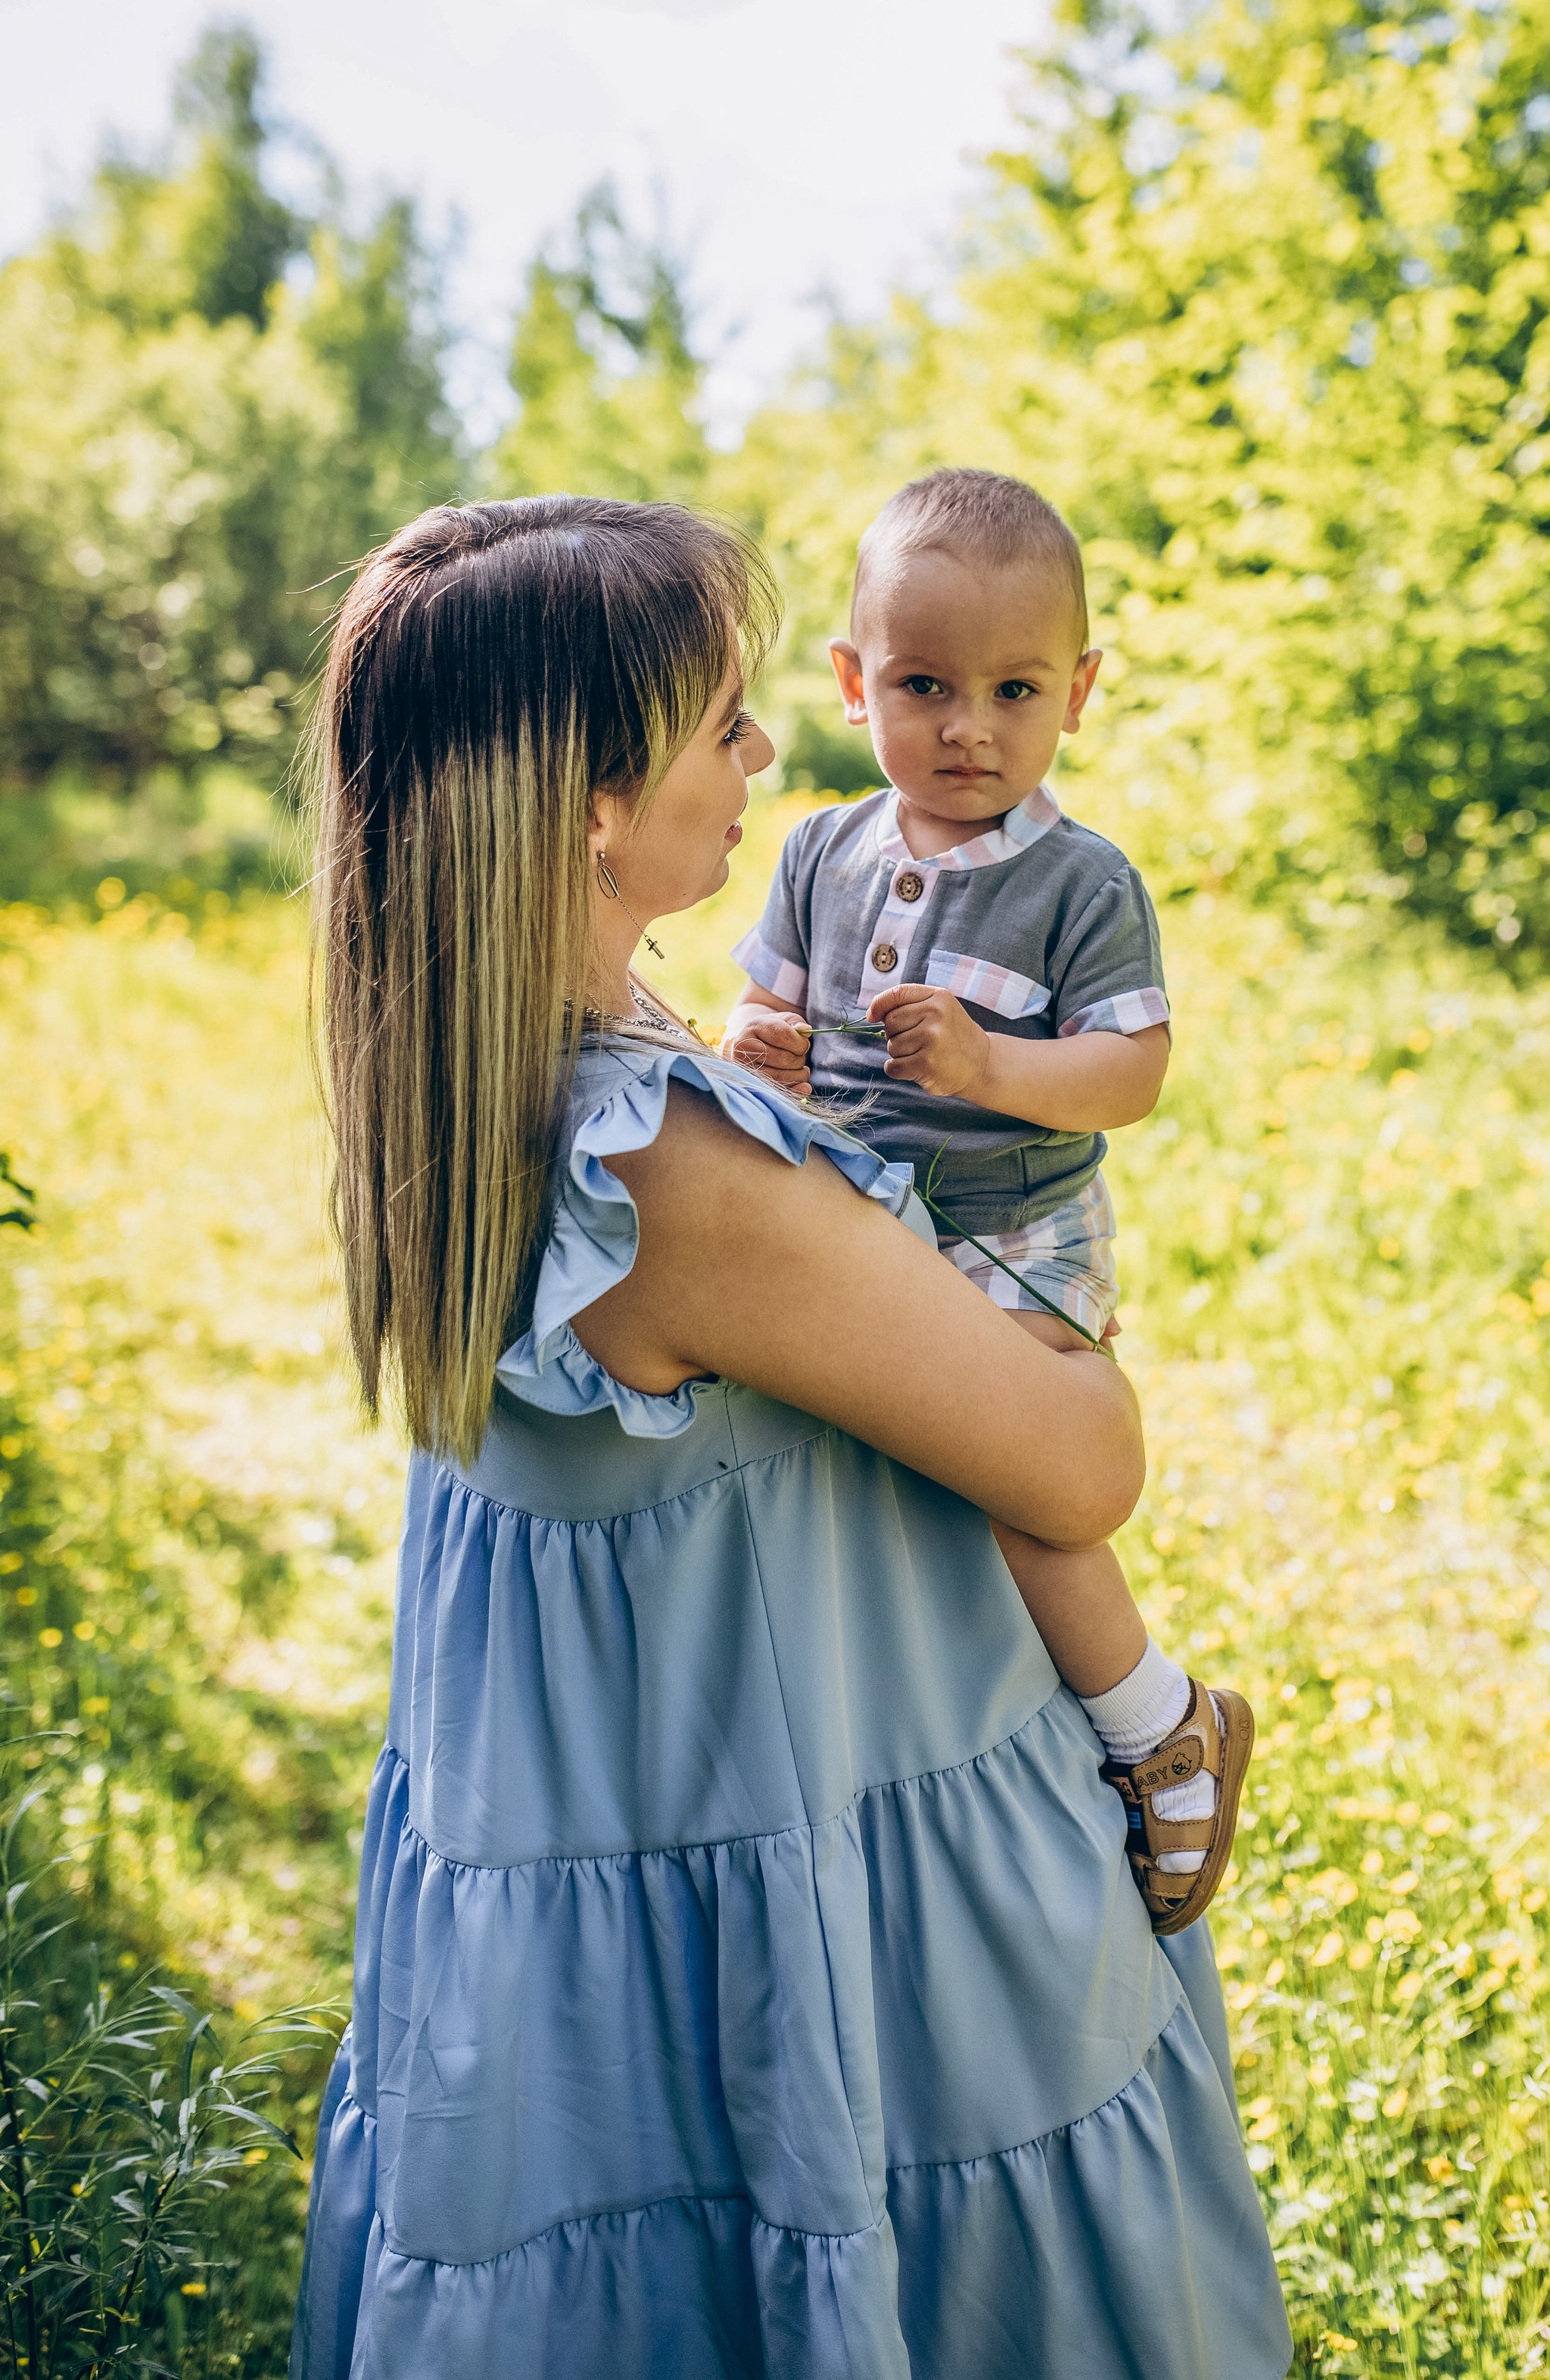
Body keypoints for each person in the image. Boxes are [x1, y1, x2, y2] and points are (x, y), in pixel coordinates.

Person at [291, 494, 1290, 2380]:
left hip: (603, 1860)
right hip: (816, 1861)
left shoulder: (471, 1078)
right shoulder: (670, 1171)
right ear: (597, 806)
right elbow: (1077, 1468)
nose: (761, 753)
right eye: (716, 722)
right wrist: (1046, 1321)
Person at [724, 469, 1251, 1933]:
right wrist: (756, 1043)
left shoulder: (1082, 885)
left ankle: (1158, 1725)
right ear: (854, 685)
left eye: (1015, 690)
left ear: (1076, 694)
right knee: (857, 1461)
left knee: (1019, 1470)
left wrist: (994, 1067)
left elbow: (1132, 1072)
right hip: (855, 1216)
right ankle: (922, 1720)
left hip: (1018, 1234)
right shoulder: (820, 852)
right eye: (925, 686)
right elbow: (762, 1004)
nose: (970, 727)